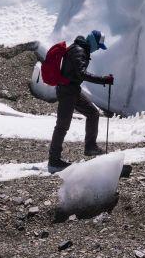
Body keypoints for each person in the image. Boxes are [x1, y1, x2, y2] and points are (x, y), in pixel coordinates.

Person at [48, 30, 114, 173]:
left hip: (72, 90)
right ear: (94, 42)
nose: (97, 50)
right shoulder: (79, 51)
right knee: (62, 126)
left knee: (93, 113)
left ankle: (90, 147)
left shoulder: (79, 48)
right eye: (98, 46)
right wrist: (104, 80)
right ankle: (54, 161)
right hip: (67, 92)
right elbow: (82, 74)